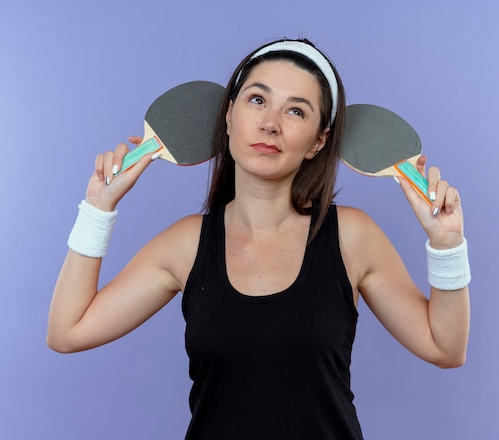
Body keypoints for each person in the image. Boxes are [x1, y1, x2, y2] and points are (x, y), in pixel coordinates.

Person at [47, 38, 471, 440]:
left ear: (318, 141)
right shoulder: (186, 244)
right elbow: (68, 331)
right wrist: (97, 209)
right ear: (229, 115)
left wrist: (447, 244)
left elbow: (445, 348)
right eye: (257, 99)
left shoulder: (352, 237)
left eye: (296, 111)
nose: (270, 123)